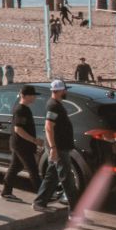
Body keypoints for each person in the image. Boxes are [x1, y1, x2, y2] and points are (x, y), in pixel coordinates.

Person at [33, 80, 78, 211]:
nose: (66, 92)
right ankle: (75, 211)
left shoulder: (56, 104)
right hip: (58, 147)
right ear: (59, 91)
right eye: (64, 90)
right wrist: (53, 148)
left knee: (52, 176)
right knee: (67, 178)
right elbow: (48, 127)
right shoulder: (53, 106)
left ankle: (39, 202)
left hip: (60, 147)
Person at [1, 84, 42, 201]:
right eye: (32, 95)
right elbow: (18, 129)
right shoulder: (21, 110)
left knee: (15, 166)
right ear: (25, 96)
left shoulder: (24, 109)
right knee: (33, 169)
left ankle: (6, 191)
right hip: (21, 145)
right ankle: (42, 196)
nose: (34, 97)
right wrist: (34, 140)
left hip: (20, 144)